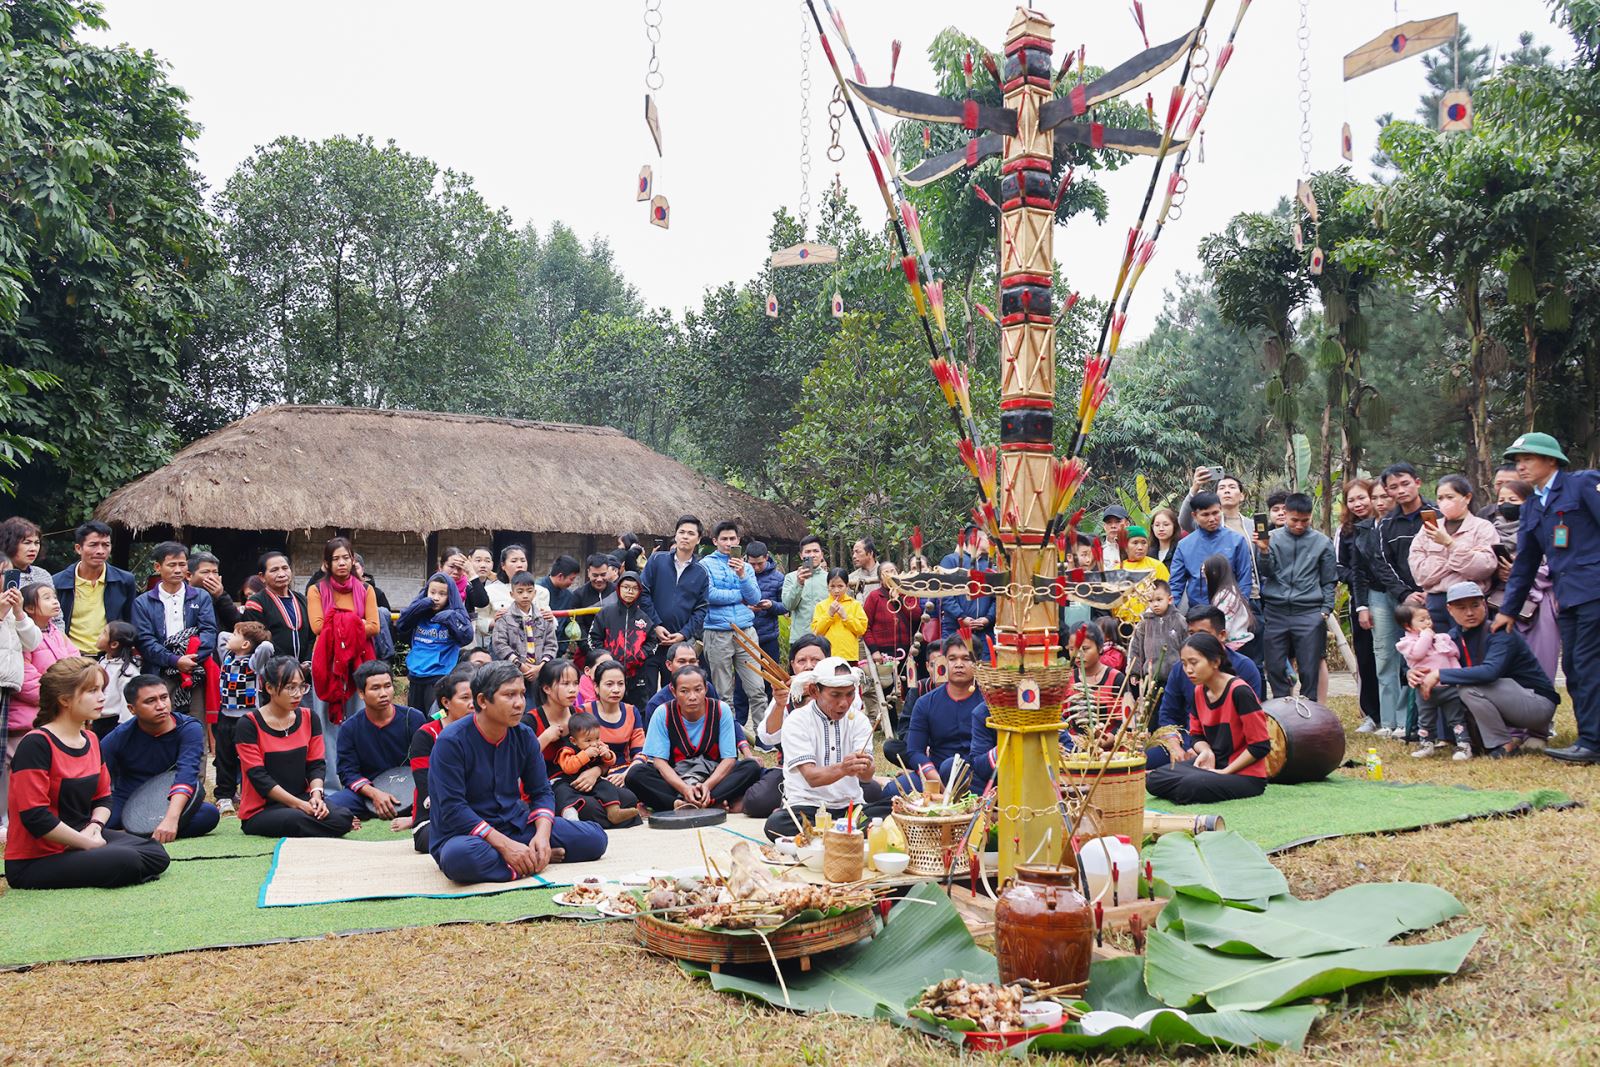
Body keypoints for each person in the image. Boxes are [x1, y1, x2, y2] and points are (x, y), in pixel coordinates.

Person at [428, 661, 608, 882]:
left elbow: (541, 792)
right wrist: (505, 846)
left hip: (515, 824)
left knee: (595, 839)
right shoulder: (451, 742)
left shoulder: (524, 735)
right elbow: (453, 809)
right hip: (467, 835)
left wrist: (542, 836)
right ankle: (528, 861)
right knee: (459, 859)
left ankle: (524, 856)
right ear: (483, 700)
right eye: (509, 695)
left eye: (522, 694)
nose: (519, 703)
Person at [4, 657, 170, 889]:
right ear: (64, 700)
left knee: (156, 852)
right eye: (92, 691)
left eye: (101, 689)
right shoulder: (36, 744)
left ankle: (105, 860)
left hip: (84, 836)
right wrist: (85, 843)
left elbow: (103, 797)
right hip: (37, 859)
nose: (102, 697)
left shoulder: (91, 739)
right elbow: (35, 816)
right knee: (127, 860)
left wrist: (95, 826)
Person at [1495, 432, 1600, 763]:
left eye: (1528, 459)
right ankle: (1590, 739)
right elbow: (1524, 564)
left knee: (1585, 664)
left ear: (1552, 460)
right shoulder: (1531, 508)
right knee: (1574, 667)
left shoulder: (1582, 485)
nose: (1521, 466)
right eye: (1517, 461)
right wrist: (1508, 611)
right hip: (1567, 599)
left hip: (1595, 591)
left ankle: (1592, 742)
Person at [1419, 581, 1557, 759]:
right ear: (1449, 610)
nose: (1469, 612)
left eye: (1475, 605)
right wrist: (1413, 673)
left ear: (1484, 604)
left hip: (1538, 705)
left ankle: (1504, 745)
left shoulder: (1500, 632)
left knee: (1469, 688)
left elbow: (1490, 672)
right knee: (1461, 685)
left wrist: (1439, 674)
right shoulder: (1452, 637)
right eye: (1461, 607)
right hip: (1510, 703)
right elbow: (1424, 657)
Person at [763, 657, 890, 839]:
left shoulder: (859, 720)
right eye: (836, 695)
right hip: (809, 809)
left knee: (893, 810)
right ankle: (846, 833)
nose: (844, 703)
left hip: (850, 809)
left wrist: (865, 766)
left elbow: (867, 777)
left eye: (849, 694)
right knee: (776, 824)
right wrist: (844, 768)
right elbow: (812, 777)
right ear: (815, 691)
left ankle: (828, 834)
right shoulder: (797, 720)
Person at [236, 657, 356, 838]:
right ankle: (321, 822)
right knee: (297, 818)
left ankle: (324, 820)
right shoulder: (249, 724)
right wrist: (299, 805)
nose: (298, 694)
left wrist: (316, 796)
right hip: (262, 810)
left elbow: (316, 765)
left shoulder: (309, 717)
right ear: (269, 688)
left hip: (303, 798)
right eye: (290, 687)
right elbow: (259, 777)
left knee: (342, 817)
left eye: (302, 687)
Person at [1145, 634, 1271, 804]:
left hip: (1245, 775)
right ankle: (1198, 781)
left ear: (1215, 662)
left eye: (1194, 663)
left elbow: (1260, 745)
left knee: (1190, 785)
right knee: (1155, 779)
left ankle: (1197, 783)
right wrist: (1206, 751)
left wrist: (1225, 772)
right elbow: (1196, 736)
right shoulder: (1199, 691)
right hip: (1213, 766)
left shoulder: (1240, 691)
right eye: (1184, 664)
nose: (1188, 669)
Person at [626, 664, 763, 811]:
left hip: (714, 777)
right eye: (684, 691)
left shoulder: (721, 710)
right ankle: (693, 802)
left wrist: (706, 786)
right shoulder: (662, 713)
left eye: (698, 690)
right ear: (673, 691)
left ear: (706, 689)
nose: (692, 697)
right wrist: (685, 789)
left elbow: (728, 759)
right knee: (636, 774)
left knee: (751, 767)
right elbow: (660, 763)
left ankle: (700, 800)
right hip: (675, 778)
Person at [1144, 606, 1264, 771]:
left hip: (1229, 747)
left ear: (1222, 635)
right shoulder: (1181, 669)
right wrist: (1175, 746)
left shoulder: (1245, 668)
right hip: (1189, 739)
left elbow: (1252, 726)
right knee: (1144, 762)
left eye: (1202, 634)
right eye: (1191, 634)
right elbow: (1168, 715)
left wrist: (1204, 750)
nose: (1195, 640)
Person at [101, 675, 220, 839]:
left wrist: (172, 819)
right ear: (131, 709)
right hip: (129, 799)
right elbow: (96, 776)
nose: (161, 705)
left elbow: (187, 774)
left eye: (164, 697)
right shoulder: (118, 737)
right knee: (98, 820)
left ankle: (127, 834)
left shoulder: (189, 728)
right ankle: (140, 832)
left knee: (208, 815)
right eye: (150, 701)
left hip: (168, 799)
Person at [1372, 463, 1436, 739]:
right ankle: (1396, 722)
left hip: (1432, 596)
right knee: (1394, 657)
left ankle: (1427, 722)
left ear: (1418, 482)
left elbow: (1440, 551)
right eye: (1393, 487)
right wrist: (1405, 593)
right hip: (1397, 601)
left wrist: (1427, 588)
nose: (1401, 491)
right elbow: (1382, 562)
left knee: (1431, 656)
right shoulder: (1387, 523)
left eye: (1405, 484)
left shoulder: (1434, 515)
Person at [1253, 493, 1337, 700]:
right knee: (1274, 666)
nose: (1299, 525)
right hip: (1276, 611)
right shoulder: (1272, 539)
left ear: (1310, 517)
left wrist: (1325, 610)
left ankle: (1310, 711)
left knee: (1309, 668)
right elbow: (1266, 572)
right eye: (1294, 520)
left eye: (1305, 521)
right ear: (1285, 514)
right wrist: (1263, 551)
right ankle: (1282, 708)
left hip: (1309, 612)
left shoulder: (1322, 542)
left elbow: (1329, 580)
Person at [884, 637, 985, 797]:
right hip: (935, 771)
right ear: (943, 663)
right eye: (952, 659)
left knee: (952, 768)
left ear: (978, 663)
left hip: (976, 774)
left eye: (966, 658)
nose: (959, 664)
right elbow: (914, 751)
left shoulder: (990, 701)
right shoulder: (925, 703)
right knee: (893, 791)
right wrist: (935, 780)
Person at [325, 660, 426, 818]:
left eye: (388, 686)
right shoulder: (350, 728)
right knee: (328, 807)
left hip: (412, 789)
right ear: (361, 693)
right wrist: (374, 794)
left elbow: (427, 761)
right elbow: (347, 772)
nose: (384, 693)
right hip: (368, 793)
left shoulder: (413, 718)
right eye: (375, 688)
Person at [745, 635, 833, 818]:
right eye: (802, 661)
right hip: (793, 771)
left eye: (816, 660)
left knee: (870, 792)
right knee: (757, 802)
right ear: (793, 665)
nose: (809, 666)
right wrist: (779, 704)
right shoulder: (786, 691)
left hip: (834, 770)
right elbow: (768, 737)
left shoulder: (842, 688)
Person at [129, 542, 217, 718]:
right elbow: (145, 641)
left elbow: (209, 632)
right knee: (159, 722)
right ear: (158, 567)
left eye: (182, 564)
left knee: (194, 723)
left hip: (194, 672)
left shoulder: (201, 596)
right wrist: (175, 660)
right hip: (159, 672)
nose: (178, 570)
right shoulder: (143, 602)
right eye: (172, 565)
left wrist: (190, 660)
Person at [396, 665, 475, 852]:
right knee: (457, 838)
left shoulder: (483, 731)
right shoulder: (426, 734)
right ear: (446, 702)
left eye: (475, 697)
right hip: (434, 817)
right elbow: (425, 787)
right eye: (465, 698)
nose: (473, 704)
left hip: (479, 811)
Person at [1488, 479, 1559, 680]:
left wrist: (1522, 572)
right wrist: (1496, 572)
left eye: (1513, 499)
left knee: (1540, 662)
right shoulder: (1489, 531)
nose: (1506, 504)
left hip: (1538, 605)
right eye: (1501, 499)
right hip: (1499, 603)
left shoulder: (1545, 526)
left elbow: (1556, 565)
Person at [1409, 475, 1498, 631]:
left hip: (1470, 602)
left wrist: (1449, 544)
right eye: (1440, 498)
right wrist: (1461, 558)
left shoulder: (1482, 527)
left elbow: (1484, 567)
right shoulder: (1428, 529)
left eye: (1450, 497)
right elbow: (1420, 575)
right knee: (1440, 651)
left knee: (1471, 651)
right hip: (1436, 602)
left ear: (1467, 497)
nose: (1444, 502)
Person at [698, 522, 766, 728]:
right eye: (724, 539)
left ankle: (764, 736)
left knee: (757, 687)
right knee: (723, 692)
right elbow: (710, 595)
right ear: (715, 541)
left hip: (746, 629)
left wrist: (742, 576)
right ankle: (730, 736)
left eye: (733, 539)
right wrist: (740, 597)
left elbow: (754, 597)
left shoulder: (745, 567)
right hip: (717, 631)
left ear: (738, 541)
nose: (729, 543)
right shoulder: (705, 565)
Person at [307, 537, 379, 724]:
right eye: (335, 558)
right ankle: (329, 754)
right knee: (325, 714)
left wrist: (336, 622)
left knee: (359, 712)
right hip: (326, 659)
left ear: (352, 559)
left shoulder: (365, 589)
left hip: (359, 658)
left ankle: (355, 753)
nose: (341, 563)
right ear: (326, 563)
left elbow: (374, 626)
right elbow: (317, 627)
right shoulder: (316, 590)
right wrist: (356, 622)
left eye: (346, 557)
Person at [639, 517, 711, 688]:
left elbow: (701, 609)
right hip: (649, 638)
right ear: (676, 535)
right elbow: (643, 593)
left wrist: (684, 633)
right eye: (682, 532)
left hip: (679, 644)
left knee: (674, 691)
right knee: (644, 692)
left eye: (691, 533)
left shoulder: (701, 572)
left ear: (698, 539)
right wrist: (655, 624)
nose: (685, 537)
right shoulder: (657, 560)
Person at [51, 521, 138, 656]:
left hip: (110, 657)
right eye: (93, 545)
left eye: (106, 545)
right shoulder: (57, 582)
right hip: (70, 658)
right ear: (78, 548)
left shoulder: (124, 581)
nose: (100, 551)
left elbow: (130, 619)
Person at [213, 620, 274, 814]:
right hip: (225, 716)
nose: (229, 637)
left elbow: (266, 647)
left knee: (247, 758)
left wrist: (257, 634)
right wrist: (239, 634)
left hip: (247, 718)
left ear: (246, 645)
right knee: (224, 757)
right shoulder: (227, 657)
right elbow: (221, 636)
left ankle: (251, 792)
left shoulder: (255, 663)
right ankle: (224, 795)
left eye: (235, 635)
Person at [1336, 479, 1382, 732]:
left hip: (1389, 597)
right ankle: (1372, 714)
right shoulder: (1345, 530)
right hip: (1360, 601)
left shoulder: (1383, 524)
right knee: (1366, 657)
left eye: (1362, 498)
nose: (1358, 504)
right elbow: (1339, 566)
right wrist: (1358, 578)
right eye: (1351, 500)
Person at [1393, 603, 1466, 759]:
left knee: (1456, 718)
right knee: (1426, 720)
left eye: (1428, 619)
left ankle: (1463, 745)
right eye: (1422, 620)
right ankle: (1426, 744)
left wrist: (1457, 674)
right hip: (1425, 689)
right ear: (1407, 626)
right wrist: (1426, 635)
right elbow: (1419, 653)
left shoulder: (1440, 638)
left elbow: (1452, 656)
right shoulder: (1407, 644)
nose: (1428, 623)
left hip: (1448, 687)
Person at [395, 572, 474, 715]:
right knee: (415, 718)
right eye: (432, 592)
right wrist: (419, 607)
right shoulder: (420, 613)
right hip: (416, 676)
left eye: (442, 594)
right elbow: (401, 625)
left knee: (437, 717)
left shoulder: (454, 615)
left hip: (439, 678)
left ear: (450, 595)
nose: (436, 598)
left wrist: (451, 619)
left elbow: (466, 637)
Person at [0, 567, 42, 830]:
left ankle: (4, 818)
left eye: (6, 574)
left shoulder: (12, 608)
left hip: (6, 686)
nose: (4, 579)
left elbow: (32, 642)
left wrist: (18, 613)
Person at [551, 710, 643, 826]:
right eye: (588, 740)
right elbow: (569, 767)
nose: (594, 743)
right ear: (573, 741)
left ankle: (614, 812)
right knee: (563, 792)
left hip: (593, 782)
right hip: (570, 782)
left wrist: (607, 754)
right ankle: (570, 815)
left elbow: (610, 762)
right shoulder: (567, 750)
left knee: (614, 790)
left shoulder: (598, 744)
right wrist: (585, 755)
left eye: (597, 738)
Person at [1168, 492, 1253, 610]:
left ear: (1221, 510)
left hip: (1232, 610)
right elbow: (1176, 585)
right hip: (1198, 612)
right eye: (1205, 515)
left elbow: (1244, 579)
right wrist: (1169, 612)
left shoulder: (1237, 541)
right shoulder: (1184, 545)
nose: (1212, 519)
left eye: (1215, 513)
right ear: (1194, 515)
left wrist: (1240, 608)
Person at [585, 571, 656, 710]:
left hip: (636, 676)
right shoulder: (605, 613)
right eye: (626, 587)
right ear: (618, 588)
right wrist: (606, 659)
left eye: (634, 588)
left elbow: (653, 642)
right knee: (607, 709)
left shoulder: (644, 618)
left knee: (636, 711)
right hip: (609, 676)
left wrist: (639, 656)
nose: (630, 592)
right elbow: (593, 639)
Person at [242, 551, 314, 670]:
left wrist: (307, 662)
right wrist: (287, 667)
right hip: (272, 672)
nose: (281, 574)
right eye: (274, 570)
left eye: (285, 568)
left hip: (304, 671)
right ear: (262, 577)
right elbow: (258, 638)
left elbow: (312, 636)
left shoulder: (302, 600)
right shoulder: (256, 603)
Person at [490, 572, 557, 689]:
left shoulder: (544, 617)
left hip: (540, 672)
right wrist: (520, 665)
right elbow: (500, 645)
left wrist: (540, 667)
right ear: (512, 594)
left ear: (535, 593)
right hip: (511, 673)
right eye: (520, 592)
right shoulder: (504, 617)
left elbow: (551, 645)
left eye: (529, 591)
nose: (525, 596)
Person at [745, 541, 788, 713]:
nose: (755, 568)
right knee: (742, 683)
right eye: (752, 564)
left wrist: (771, 605)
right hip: (745, 637)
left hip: (768, 637)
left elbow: (785, 606)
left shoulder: (778, 578)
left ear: (767, 558)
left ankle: (774, 714)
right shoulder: (741, 574)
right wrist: (746, 608)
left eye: (759, 564)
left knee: (771, 680)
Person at [641, 642, 723, 721]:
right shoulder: (657, 704)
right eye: (682, 661)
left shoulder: (707, 688)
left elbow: (719, 719)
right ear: (669, 665)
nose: (688, 666)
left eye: (692, 661)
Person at [1127, 579, 1185, 683]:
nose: (1155, 604)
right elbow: (1136, 649)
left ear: (1170, 599)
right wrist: (1134, 672)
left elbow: (1187, 645)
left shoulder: (1179, 620)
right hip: (1150, 678)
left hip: (1176, 677)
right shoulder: (1144, 623)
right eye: (1151, 601)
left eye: (1159, 599)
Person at [811, 568, 869, 664]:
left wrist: (845, 617)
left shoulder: (854, 604)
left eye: (840, 586)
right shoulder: (821, 606)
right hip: (827, 655)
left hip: (849, 655)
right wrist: (829, 614)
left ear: (847, 587)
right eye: (832, 586)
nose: (836, 590)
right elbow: (817, 632)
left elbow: (861, 629)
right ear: (827, 586)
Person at [94, 620, 141, 734]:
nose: (99, 636)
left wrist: (123, 729)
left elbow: (127, 703)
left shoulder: (127, 671)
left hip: (114, 723)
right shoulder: (102, 661)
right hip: (98, 719)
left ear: (114, 644)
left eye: (104, 633)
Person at [1200, 554, 1254, 651]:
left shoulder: (1225, 597)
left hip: (1235, 645)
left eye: (1206, 576)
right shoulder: (1231, 592)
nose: (1205, 581)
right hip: (1242, 642)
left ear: (1213, 575)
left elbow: (1224, 625)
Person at [781, 535, 830, 639]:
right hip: (800, 637)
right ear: (801, 555)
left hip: (826, 637)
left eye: (816, 551)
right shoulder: (791, 577)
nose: (812, 555)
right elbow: (788, 605)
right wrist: (799, 583)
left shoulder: (830, 579)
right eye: (807, 552)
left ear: (822, 554)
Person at [569, 553, 616, 657]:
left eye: (603, 575)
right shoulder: (578, 595)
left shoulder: (618, 591)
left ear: (608, 571)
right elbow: (578, 626)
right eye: (595, 575)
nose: (599, 579)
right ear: (588, 573)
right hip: (588, 651)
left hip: (616, 646)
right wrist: (590, 650)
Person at [538, 555, 582, 658]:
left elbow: (567, 625)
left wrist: (560, 650)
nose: (572, 583)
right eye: (571, 579)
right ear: (560, 576)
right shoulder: (537, 590)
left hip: (555, 651)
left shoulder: (569, 596)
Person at [0, 517, 52, 600]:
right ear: (9, 543)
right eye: (27, 543)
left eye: (36, 543)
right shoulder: (2, 576)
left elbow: (57, 611)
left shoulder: (43, 575)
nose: (33, 548)